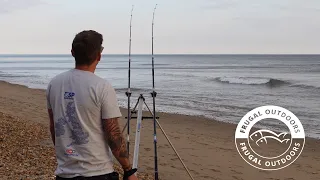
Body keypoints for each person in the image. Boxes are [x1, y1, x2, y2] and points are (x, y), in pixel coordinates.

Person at [46, 30, 138, 180]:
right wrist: (128, 169)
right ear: (99, 56)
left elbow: (54, 127)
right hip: (97, 172)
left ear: (72, 52)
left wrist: (65, 154)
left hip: (65, 172)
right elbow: (113, 134)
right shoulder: (102, 87)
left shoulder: (54, 84)